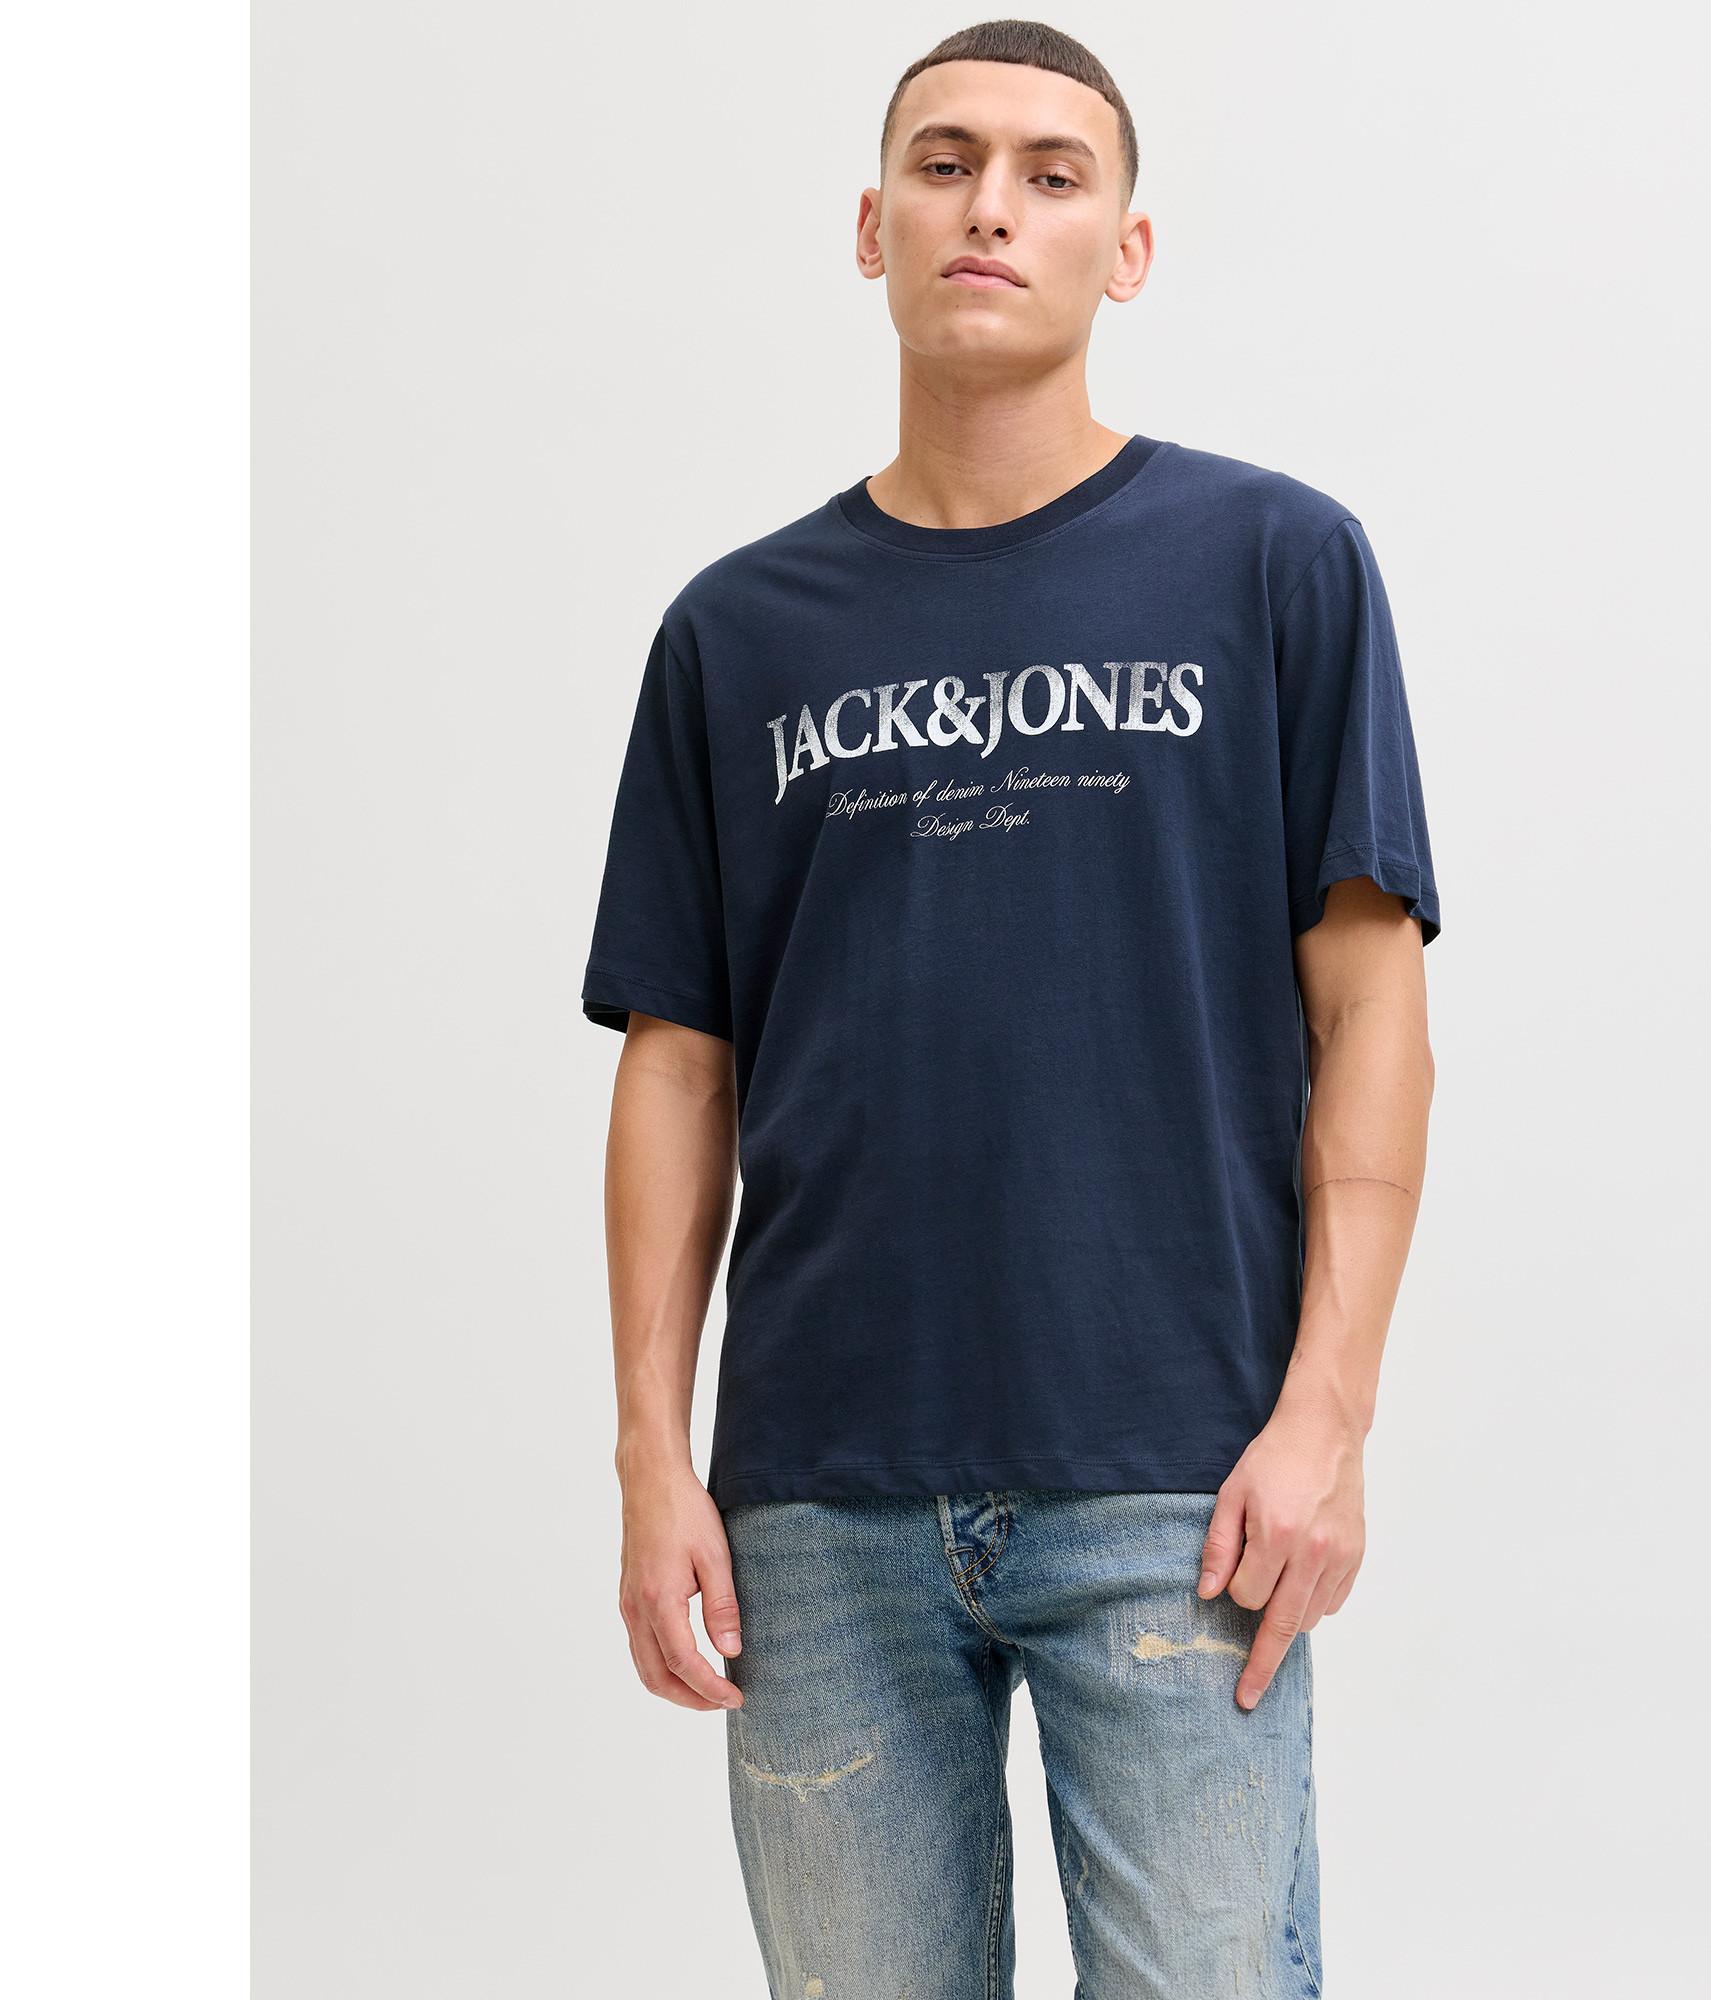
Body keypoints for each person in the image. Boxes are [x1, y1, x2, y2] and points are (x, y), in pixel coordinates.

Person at [580, 19, 1440, 1997]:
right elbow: (679, 1062)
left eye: (1054, 175)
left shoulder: (1273, 566)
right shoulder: (736, 633)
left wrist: (1328, 1413)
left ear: (1124, 250)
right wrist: (650, 1455)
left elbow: (1372, 1007)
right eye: (946, 162)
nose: (993, 207)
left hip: (1177, 1474)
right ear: (869, 225)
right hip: (817, 1496)